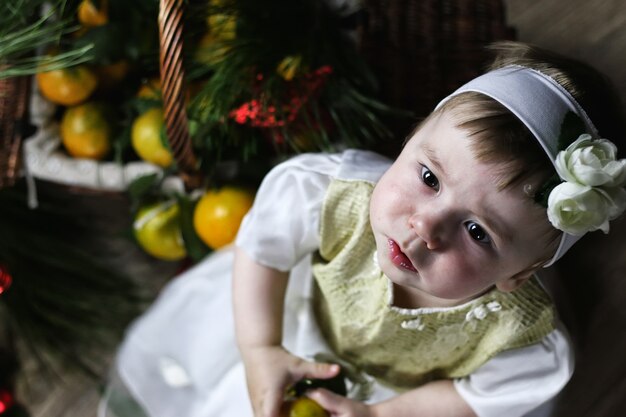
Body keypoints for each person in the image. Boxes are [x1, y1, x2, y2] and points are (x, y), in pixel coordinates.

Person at [109, 41, 626, 417]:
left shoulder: (519, 336)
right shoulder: (328, 195)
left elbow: (471, 397)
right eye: (428, 178)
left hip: (398, 397)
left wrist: (381, 415)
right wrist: (260, 348)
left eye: (478, 232)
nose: (426, 227)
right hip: (289, 323)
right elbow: (261, 249)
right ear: (412, 136)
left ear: (521, 273)